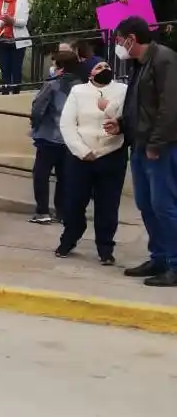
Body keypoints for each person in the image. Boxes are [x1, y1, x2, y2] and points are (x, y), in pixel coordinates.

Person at [105, 16, 177, 286]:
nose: (118, 45)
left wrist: (156, 144)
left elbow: (170, 108)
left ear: (131, 39)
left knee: (164, 206)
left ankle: (174, 263)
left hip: (161, 148)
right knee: (146, 205)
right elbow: (140, 106)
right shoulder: (139, 64)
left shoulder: (164, 61)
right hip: (139, 145)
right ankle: (159, 257)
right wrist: (122, 124)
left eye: (119, 39)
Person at [56, 61, 128, 264]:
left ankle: (105, 249)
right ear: (90, 74)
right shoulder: (78, 91)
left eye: (106, 65)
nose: (104, 69)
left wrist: (109, 108)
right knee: (74, 202)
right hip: (81, 157)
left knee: (108, 205)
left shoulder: (123, 90)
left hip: (112, 154)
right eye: (98, 67)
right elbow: (67, 123)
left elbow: (127, 118)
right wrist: (81, 150)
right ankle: (69, 238)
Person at [29, 51, 87, 224]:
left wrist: (35, 125)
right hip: (70, 138)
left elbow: (38, 108)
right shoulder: (82, 85)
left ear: (60, 67)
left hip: (49, 136)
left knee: (41, 174)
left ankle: (43, 212)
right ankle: (61, 212)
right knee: (64, 176)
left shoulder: (52, 85)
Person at [0, 0, 32, 94]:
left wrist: (12, 21)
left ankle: (16, 93)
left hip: (17, 41)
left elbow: (23, 22)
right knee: (5, 70)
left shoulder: (22, 1)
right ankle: (5, 93)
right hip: (2, 40)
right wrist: (4, 22)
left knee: (16, 70)